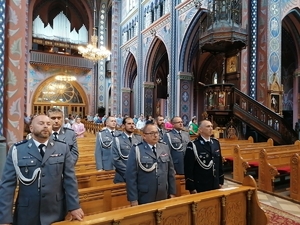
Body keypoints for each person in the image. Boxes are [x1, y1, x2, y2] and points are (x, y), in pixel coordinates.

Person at [0, 115, 84, 225]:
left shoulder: (62, 148)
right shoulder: (18, 150)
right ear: (31, 128)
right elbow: (7, 185)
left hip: (55, 210)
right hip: (27, 212)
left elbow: (70, 180)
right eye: (41, 123)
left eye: (48, 124)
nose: (45, 126)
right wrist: (5, 218)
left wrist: (74, 206)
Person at [125, 124, 176, 206]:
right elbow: (131, 176)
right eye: (152, 133)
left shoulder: (164, 147)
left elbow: (171, 172)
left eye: (157, 132)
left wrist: (172, 192)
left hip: (163, 194)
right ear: (144, 136)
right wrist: (133, 199)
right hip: (145, 195)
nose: (155, 135)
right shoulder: (137, 149)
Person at [184, 120, 224, 193]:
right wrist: (191, 187)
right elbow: (188, 167)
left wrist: (220, 180)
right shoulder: (193, 145)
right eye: (208, 126)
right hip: (201, 184)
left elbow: (219, 163)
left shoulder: (215, 142)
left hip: (215, 183)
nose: (211, 128)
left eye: (211, 126)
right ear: (200, 130)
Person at [111, 117, 142, 183]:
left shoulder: (139, 139)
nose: (132, 125)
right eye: (129, 124)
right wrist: (129, 173)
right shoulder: (117, 139)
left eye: (133, 124)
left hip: (138, 176)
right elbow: (115, 160)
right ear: (123, 126)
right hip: (123, 176)